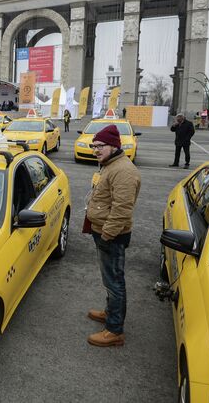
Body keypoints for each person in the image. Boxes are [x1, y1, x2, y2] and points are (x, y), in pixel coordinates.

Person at [84, 124, 141, 347]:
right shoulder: (111, 164)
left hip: (112, 236)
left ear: (114, 146)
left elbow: (122, 209)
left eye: (100, 146)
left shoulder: (124, 171)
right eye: (94, 146)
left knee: (115, 282)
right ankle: (110, 313)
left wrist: (106, 234)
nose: (96, 150)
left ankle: (115, 330)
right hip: (104, 232)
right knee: (110, 280)